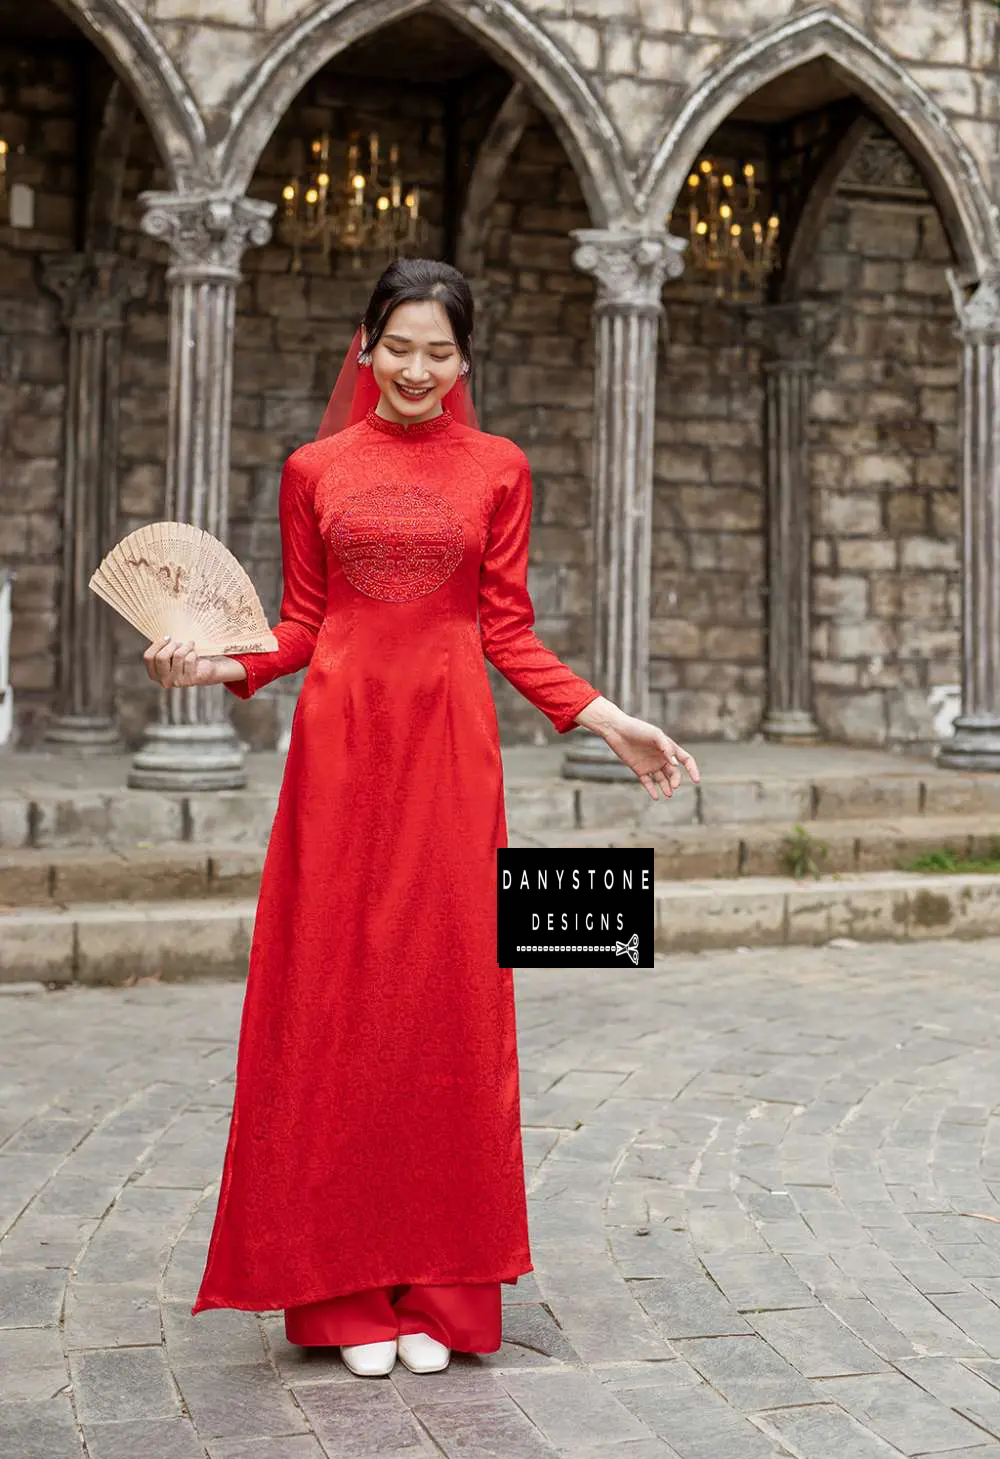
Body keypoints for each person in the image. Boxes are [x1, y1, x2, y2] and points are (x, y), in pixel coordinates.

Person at [144, 258, 700, 1378]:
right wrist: (219, 664)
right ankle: (344, 1293)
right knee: (335, 1001)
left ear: (464, 360)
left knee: (446, 1001)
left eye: (438, 352)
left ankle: (441, 1286)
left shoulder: (498, 467)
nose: (416, 368)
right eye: (398, 345)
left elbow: (507, 631)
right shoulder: (316, 468)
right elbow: (300, 623)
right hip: (341, 759)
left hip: (451, 757)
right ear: (365, 345)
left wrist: (609, 721)